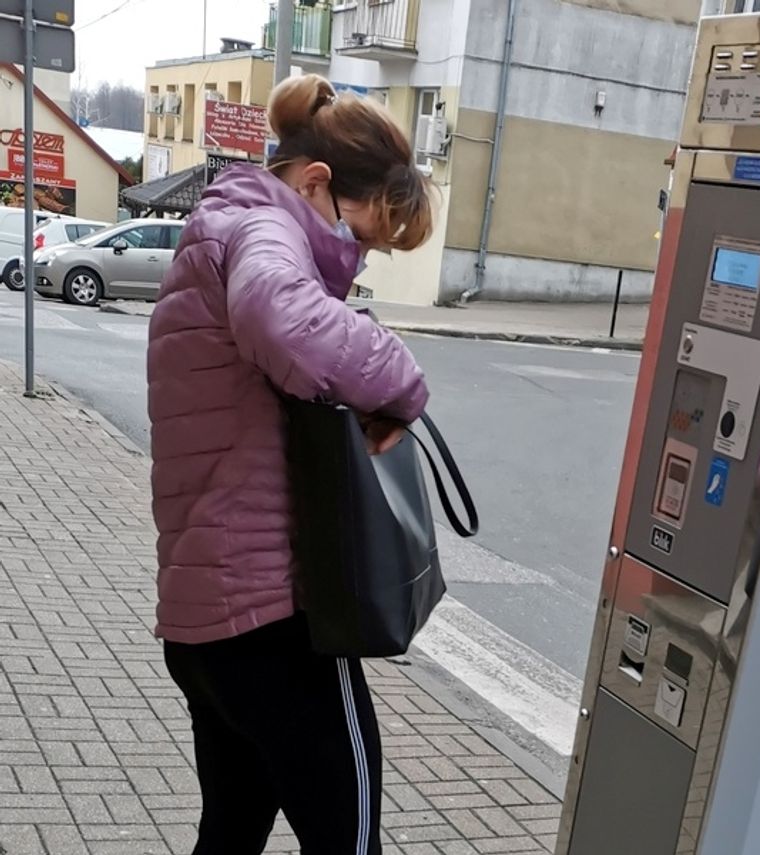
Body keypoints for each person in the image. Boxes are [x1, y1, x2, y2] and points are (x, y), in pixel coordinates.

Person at [147, 74, 433, 854]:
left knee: (232, 830)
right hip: (275, 620)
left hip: (205, 623)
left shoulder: (217, 229)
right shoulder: (264, 234)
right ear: (315, 184)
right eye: (363, 235)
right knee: (350, 841)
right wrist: (401, 379)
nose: (358, 256)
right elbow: (285, 318)